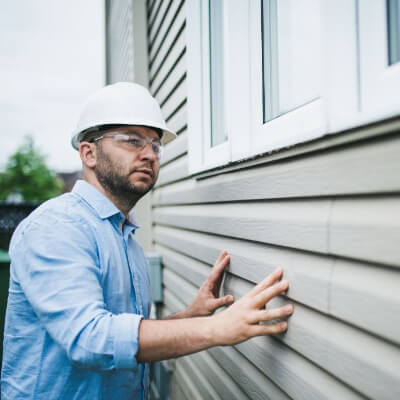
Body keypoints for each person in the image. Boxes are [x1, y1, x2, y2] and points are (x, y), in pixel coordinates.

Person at [1, 82, 294, 399]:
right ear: (89, 152)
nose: (149, 155)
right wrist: (215, 329)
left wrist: (190, 317)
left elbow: (124, 337)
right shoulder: (57, 227)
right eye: (132, 141)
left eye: (155, 145)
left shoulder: (124, 237)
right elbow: (90, 339)